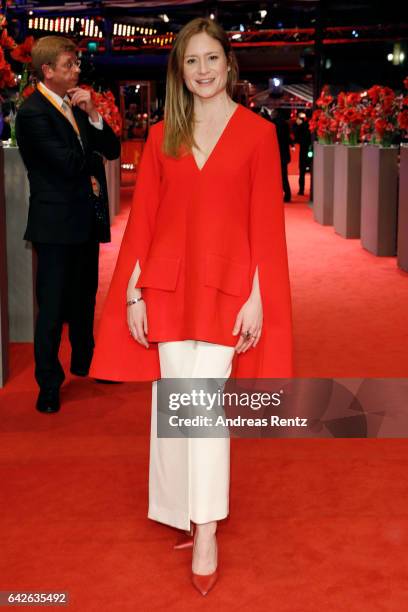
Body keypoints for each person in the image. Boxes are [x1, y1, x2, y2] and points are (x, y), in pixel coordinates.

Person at [90, 17, 293, 595]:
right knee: (178, 408)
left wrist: (259, 298)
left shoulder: (257, 134)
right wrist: (133, 291)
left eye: (211, 59)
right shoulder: (162, 136)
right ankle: (183, 510)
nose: (202, 71)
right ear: (180, 71)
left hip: (230, 292)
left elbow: (266, 226)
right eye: (191, 62)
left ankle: (206, 529)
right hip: (169, 289)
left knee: (202, 413)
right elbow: (145, 221)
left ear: (229, 63)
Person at [15, 36, 120, 414]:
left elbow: (112, 150)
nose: (77, 69)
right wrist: (90, 167)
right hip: (54, 225)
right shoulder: (32, 112)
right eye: (69, 64)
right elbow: (67, 164)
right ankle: (48, 382)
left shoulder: (75, 105)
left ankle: (85, 362)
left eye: (76, 63)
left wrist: (93, 115)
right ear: (48, 71)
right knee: (53, 307)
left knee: (84, 297)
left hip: (84, 220)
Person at [269, 108, 292, 202]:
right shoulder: (284, 124)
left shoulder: (276, 124)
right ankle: (286, 194)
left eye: (272, 113)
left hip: (279, 155)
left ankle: (285, 194)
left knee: (280, 176)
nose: (271, 115)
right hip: (284, 154)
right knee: (283, 176)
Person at [293, 112, 312, 196]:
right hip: (309, 149)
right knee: (306, 170)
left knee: (302, 171)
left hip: (305, 149)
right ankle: (306, 189)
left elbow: (297, 138)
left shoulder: (301, 126)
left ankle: (301, 190)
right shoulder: (309, 126)